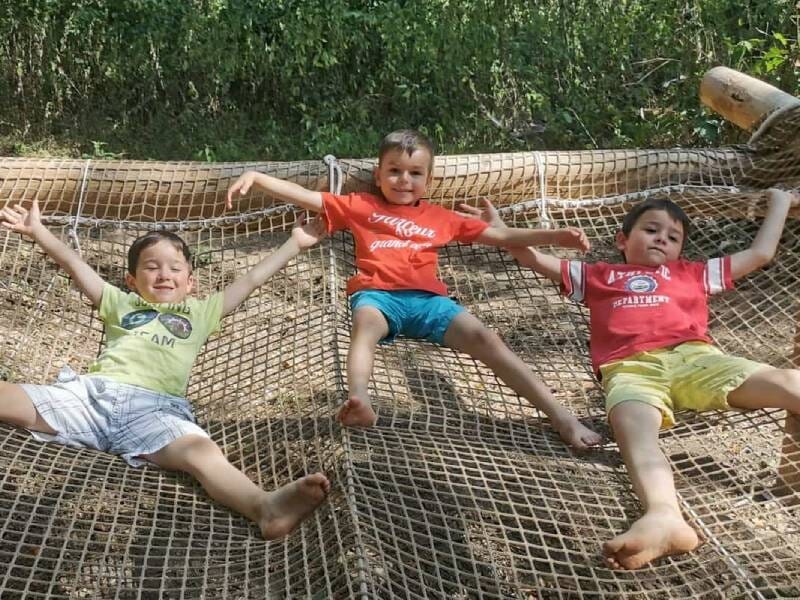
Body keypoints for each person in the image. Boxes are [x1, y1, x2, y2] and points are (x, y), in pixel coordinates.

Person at [462, 189, 800, 569]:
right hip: (630, 367)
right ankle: (664, 516)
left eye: (673, 238)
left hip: (697, 359)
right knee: (630, 426)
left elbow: (759, 255)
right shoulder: (599, 276)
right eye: (651, 230)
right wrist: (503, 231)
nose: (662, 239)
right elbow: (532, 257)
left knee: (791, 383)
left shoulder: (692, 273)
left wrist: (780, 204)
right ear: (623, 240)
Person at [226, 129, 602, 449]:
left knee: (488, 340)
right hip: (378, 296)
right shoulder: (361, 206)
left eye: (414, 173)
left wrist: (555, 235)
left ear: (429, 180)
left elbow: (501, 235)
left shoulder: (440, 217)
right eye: (394, 171)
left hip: (431, 303)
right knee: (364, 325)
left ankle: (562, 417)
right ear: (378, 174)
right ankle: (359, 398)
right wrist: (258, 177)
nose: (403, 180)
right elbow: (305, 197)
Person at [0, 198, 331, 540]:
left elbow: (252, 280)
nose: (164, 274)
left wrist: (295, 243)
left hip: (155, 411)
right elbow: (73, 262)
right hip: (90, 398)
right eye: (151, 267)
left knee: (203, 454)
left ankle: (266, 508)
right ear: (131, 279)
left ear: (191, 283)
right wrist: (37, 230)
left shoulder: (202, 312)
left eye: (175, 268)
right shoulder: (118, 301)